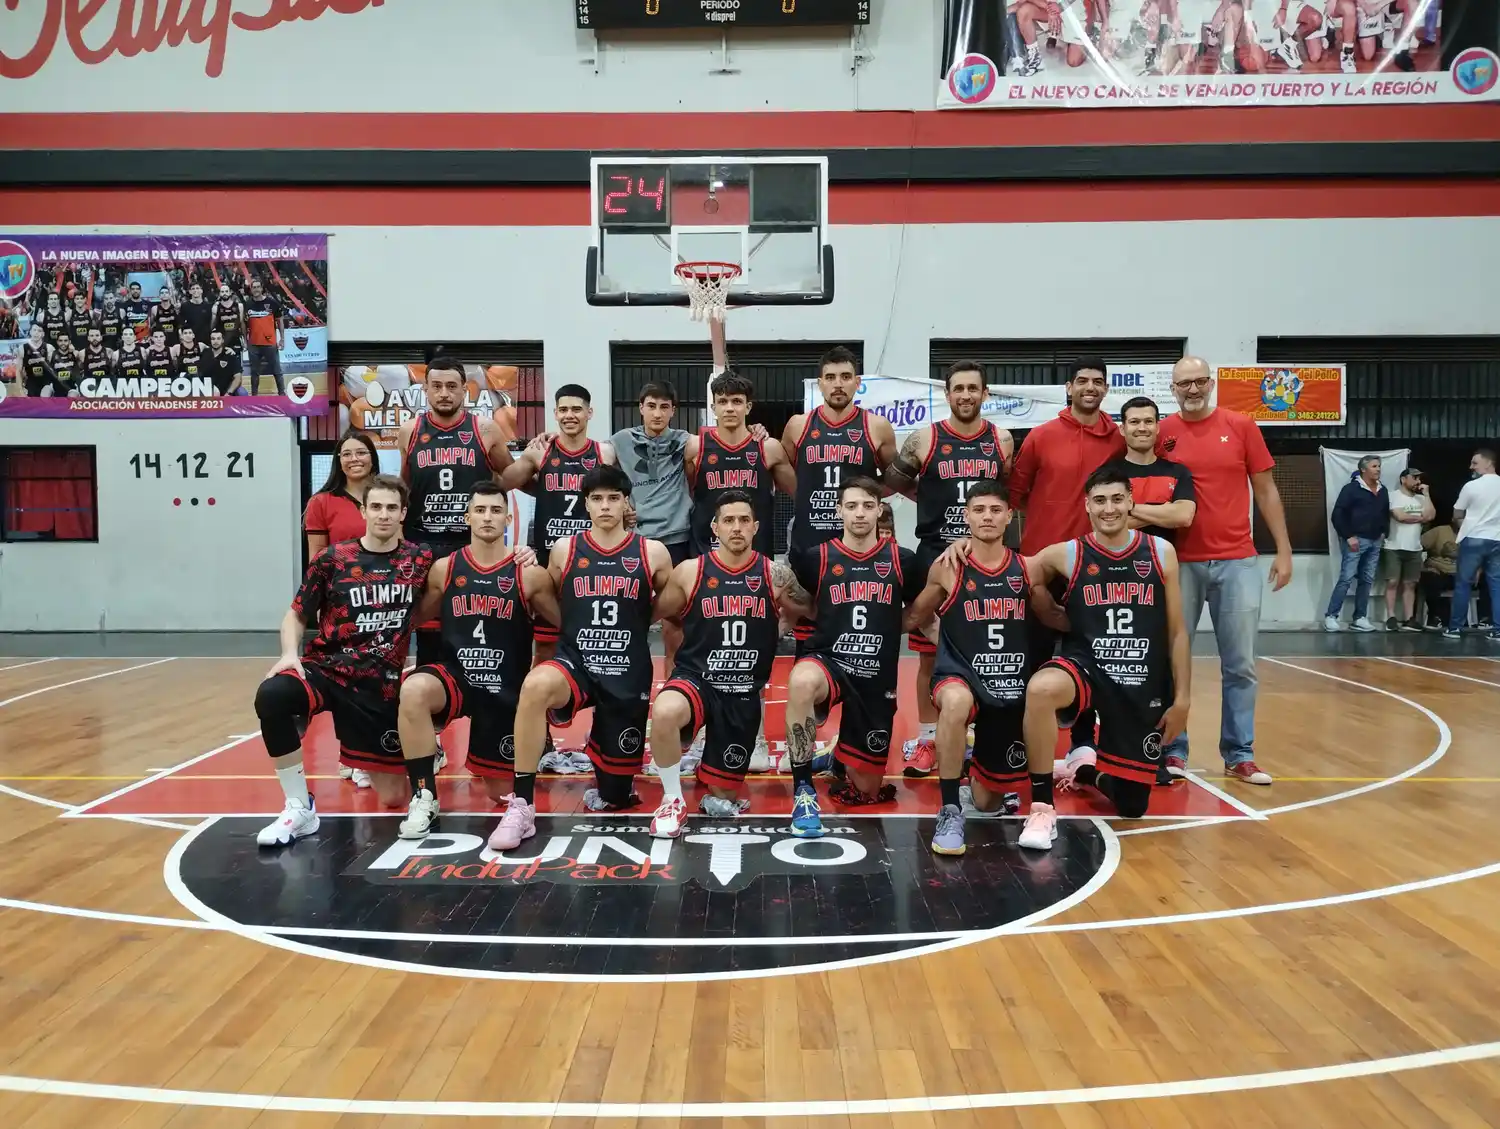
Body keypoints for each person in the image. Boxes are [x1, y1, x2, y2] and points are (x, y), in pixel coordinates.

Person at [493, 465, 674, 849]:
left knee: (614, 796)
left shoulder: (652, 552)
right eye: (596, 499)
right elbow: (550, 594)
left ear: (626, 502)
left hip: (627, 668)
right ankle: (522, 803)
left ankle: (603, 745)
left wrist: (636, 621)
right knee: (536, 684)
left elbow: (669, 603)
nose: (605, 505)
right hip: (577, 661)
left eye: (613, 498)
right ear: (586, 504)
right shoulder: (565, 549)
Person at [253, 475, 434, 846]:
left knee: (394, 798)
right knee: (271, 695)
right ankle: (299, 807)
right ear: (363, 510)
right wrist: (289, 653)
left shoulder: (420, 558)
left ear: (403, 513)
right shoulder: (332, 558)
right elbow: (296, 614)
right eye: (377, 507)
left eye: (392, 508)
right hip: (326, 670)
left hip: (377, 685)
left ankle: (361, 752)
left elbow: (459, 575)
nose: (384, 514)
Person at [1019, 465, 1192, 849]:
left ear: (1132, 502)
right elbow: (1012, 571)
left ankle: (1084, 773)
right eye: (1099, 501)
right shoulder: (1068, 553)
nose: (1109, 508)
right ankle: (1042, 806)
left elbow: (1177, 632)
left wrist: (1182, 700)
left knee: (1132, 805)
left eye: (1117, 499)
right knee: (1042, 689)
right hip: (1087, 667)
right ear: (1087, 506)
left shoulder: (1161, 553)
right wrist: (1045, 605)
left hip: (1139, 677)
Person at [900, 480, 1065, 856]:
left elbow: (1052, 616)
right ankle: (949, 810)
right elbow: (914, 617)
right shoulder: (947, 568)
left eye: (995, 510)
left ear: (1009, 516)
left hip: (1010, 685)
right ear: (966, 516)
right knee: (954, 704)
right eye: (979, 510)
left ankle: (973, 783)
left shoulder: (1029, 568)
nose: (987, 517)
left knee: (990, 802)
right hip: (959, 675)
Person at [1156, 356, 1291, 786]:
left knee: (1241, 664)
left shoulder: (1241, 426)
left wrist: (1283, 550)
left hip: (1237, 561)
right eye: (1183, 384)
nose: (1192, 389)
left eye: (1199, 382)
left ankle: (1240, 754)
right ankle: (1173, 751)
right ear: (1172, 389)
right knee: (1173, 662)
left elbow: (1266, 491)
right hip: (1180, 564)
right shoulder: (1162, 433)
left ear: (1211, 383)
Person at [396, 484, 560, 839]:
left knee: (497, 792)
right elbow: (413, 619)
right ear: (467, 517)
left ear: (508, 518)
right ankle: (424, 795)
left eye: (495, 511)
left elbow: (564, 623)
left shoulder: (529, 573)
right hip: (456, 679)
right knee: (413, 690)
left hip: (506, 686)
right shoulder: (445, 568)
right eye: (481, 510)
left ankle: (528, 750)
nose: (488, 517)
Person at [646, 490, 812, 837]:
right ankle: (672, 799)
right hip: (697, 679)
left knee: (722, 796)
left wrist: (784, 626)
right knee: (664, 710)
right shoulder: (691, 572)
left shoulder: (775, 575)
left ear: (755, 527)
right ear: (715, 528)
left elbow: (810, 610)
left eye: (743, 521)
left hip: (742, 693)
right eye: (728, 521)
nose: (736, 528)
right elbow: (653, 613)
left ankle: (710, 771)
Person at [883, 359, 1015, 777]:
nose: (965, 395)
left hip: (986, 555)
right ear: (947, 394)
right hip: (938, 552)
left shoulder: (1002, 439)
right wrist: (931, 501)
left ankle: (971, 732)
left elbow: (1001, 491)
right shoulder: (925, 438)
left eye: (973, 388)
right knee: (928, 654)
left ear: (985, 393)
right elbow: (892, 481)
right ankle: (925, 739)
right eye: (958, 388)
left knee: (987, 649)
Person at [783, 477, 922, 837]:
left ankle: (837, 756)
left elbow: (918, 613)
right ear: (839, 511)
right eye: (851, 506)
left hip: (876, 674)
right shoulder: (817, 558)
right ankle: (803, 789)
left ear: (879, 510)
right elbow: (801, 607)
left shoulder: (903, 560)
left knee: (867, 791)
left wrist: (889, 626)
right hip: (829, 661)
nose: (859, 513)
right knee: (800, 680)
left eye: (867, 506)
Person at [1006, 358, 1126, 762]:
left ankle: (1083, 743)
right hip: (1041, 562)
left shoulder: (1119, 441)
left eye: (1098, 382)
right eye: (1083, 381)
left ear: (1106, 390)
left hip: (1097, 565)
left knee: (1092, 653)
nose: (1090, 387)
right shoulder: (1041, 436)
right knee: (1031, 652)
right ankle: (1019, 741)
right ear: (1069, 388)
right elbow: (1016, 494)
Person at [399, 356, 515, 667]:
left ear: (465, 390)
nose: (444, 393)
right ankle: (432, 698)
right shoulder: (409, 430)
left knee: (477, 624)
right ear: (426, 390)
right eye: (436, 386)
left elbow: (511, 477)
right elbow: (404, 488)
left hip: (470, 544)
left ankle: (479, 692)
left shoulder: (485, 429)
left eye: (452, 386)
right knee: (428, 633)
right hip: (422, 543)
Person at [782, 346, 898, 652]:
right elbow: (786, 471)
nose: (838, 384)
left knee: (857, 637)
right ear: (819, 383)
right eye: (830, 377)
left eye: (845, 377)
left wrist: (870, 500)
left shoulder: (877, 427)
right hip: (809, 543)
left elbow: (895, 476)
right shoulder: (798, 425)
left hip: (858, 547)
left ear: (857, 382)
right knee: (808, 641)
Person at [504, 383, 617, 661]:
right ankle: (543, 704)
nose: (570, 415)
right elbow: (498, 483)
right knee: (545, 644)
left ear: (590, 413)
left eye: (577, 409)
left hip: (591, 560)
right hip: (548, 559)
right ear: (554, 413)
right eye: (564, 409)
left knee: (594, 640)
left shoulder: (604, 453)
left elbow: (618, 496)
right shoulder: (538, 453)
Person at [686, 371, 794, 558]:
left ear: (748, 407)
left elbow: (799, 495)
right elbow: (680, 495)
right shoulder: (696, 447)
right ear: (713, 408)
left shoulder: (769, 448)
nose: (729, 408)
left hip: (756, 554)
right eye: (722, 401)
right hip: (707, 553)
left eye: (736, 401)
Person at [1103, 397, 1197, 542]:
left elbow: (1183, 517)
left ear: (1157, 427)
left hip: (1165, 561)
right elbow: (1106, 524)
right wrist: (1164, 511)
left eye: (1148, 421)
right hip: (1116, 561)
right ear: (1122, 429)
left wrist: (1129, 508)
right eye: (1134, 422)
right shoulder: (1106, 474)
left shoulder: (1178, 472)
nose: (1142, 428)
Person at [1324, 454, 1387, 633]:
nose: (1378, 469)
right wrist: (1349, 535)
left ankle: (1359, 617)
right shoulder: (1351, 489)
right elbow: (1338, 515)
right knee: (1346, 577)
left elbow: (1384, 513)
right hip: (1356, 540)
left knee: (1367, 580)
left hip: (1375, 541)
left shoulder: (1383, 490)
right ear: (1363, 469)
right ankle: (1331, 616)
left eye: (1379, 466)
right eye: (1375, 466)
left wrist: (1383, 532)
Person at [1444, 448, 1500, 641]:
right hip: (1497, 539)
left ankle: (1455, 628)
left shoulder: (1471, 486)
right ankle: (1498, 629)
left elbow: (1457, 514)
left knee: (1463, 584)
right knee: (1497, 586)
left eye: (1475, 463)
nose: (1471, 467)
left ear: (1488, 463)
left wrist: (1465, 524)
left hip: (1474, 538)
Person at [304, 429, 379, 559]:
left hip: (387, 577)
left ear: (372, 459)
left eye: (361, 453)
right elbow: (316, 558)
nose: (354, 459)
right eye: (346, 454)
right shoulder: (320, 502)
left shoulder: (389, 497)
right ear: (339, 462)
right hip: (341, 577)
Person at [1381, 467, 1433, 632]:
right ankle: (1390, 616)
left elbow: (1430, 516)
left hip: (1414, 548)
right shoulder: (1393, 495)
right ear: (1403, 479)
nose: (1418, 481)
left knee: (1410, 584)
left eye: (1419, 478)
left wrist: (1426, 495)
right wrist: (1420, 518)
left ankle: (1409, 618)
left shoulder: (1420, 498)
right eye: (1414, 478)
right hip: (1394, 546)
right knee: (1392, 582)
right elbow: (1399, 516)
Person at [243, 277, 284, 395]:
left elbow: (280, 321)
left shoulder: (272, 303)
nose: (256, 289)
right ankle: (254, 396)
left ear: (262, 288)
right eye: (253, 287)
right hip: (253, 344)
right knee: (254, 372)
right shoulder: (248, 304)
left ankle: (282, 394)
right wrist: (246, 341)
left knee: (277, 370)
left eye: (258, 287)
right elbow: (244, 324)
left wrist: (282, 339)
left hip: (270, 343)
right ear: (251, 290)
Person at [203, 328, 243, 395]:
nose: (215, 341)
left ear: (222, 340)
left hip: (226, 392)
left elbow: (238, 377)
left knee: (242, 392)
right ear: (210, 341)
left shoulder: (230, 355)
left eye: (218, 339)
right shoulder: (204, 353)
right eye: (213, 339)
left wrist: (229, 393)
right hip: (208, 392)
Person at [149, 285, 181, 350]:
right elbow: (151, 325)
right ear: (159, 296)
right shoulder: (155, 309)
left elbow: (180, 324)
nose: (164, 294)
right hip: (160, 342)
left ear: (169, 295)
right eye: (162, 293)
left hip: (174, 341)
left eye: (166, 293)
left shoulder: (176, 308)